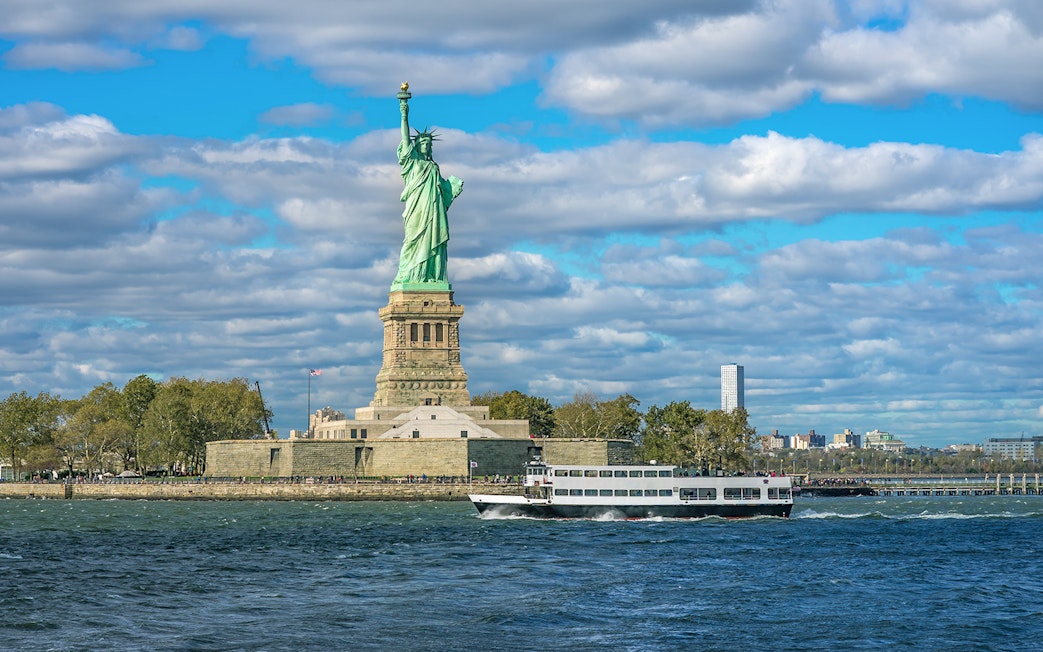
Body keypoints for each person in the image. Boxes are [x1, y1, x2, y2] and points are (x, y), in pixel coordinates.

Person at [392, 89, 464, 288]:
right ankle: (411, 276)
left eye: (428, 143)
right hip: (417, 208)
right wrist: (404, 113)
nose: (425, 145)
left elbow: (443, 191)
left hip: (434, 209)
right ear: (417, 146)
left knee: (435, 240)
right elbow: (405, 139)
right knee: (412, 241)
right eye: (422, 142)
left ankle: (432, 276)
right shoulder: (412, 163)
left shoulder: (433, 166)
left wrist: (453, 187)